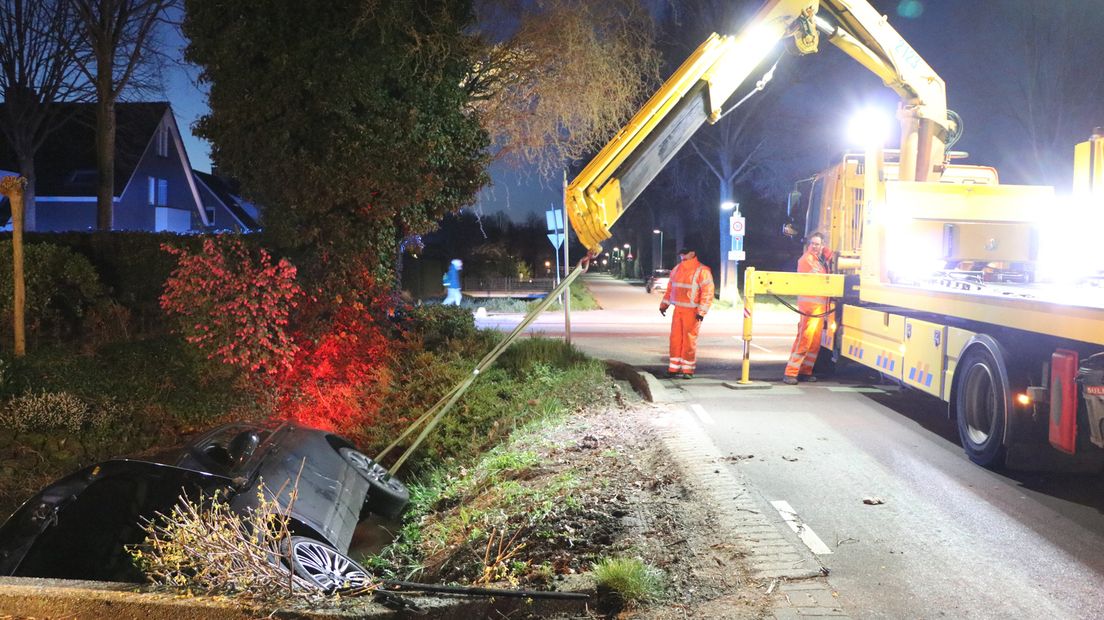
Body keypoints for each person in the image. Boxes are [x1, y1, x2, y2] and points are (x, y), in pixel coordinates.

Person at [783, 232, 832, 384]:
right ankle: (790, 373)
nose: (815, 246)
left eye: (818, 244)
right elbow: (820, 279)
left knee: (815, 341)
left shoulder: (818, 259)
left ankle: (805, 371)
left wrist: (827, 253)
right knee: (804, 339)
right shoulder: (807, 259)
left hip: (818, 308)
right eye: (813, 244)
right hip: (809, 308)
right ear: (809, 245)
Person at [659, 247, 714, 379]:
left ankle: (687, 370)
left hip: (692, 311)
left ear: (693, 253)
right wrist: (664, 305)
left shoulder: (702, 271)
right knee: (675, 339)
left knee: (689, 340)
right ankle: (674, 367)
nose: (682, 255)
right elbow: (670, 289)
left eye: (685, 253)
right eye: (681, 253)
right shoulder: (677, 269)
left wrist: (701, 312)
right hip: (678, 310)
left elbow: (708, 292)